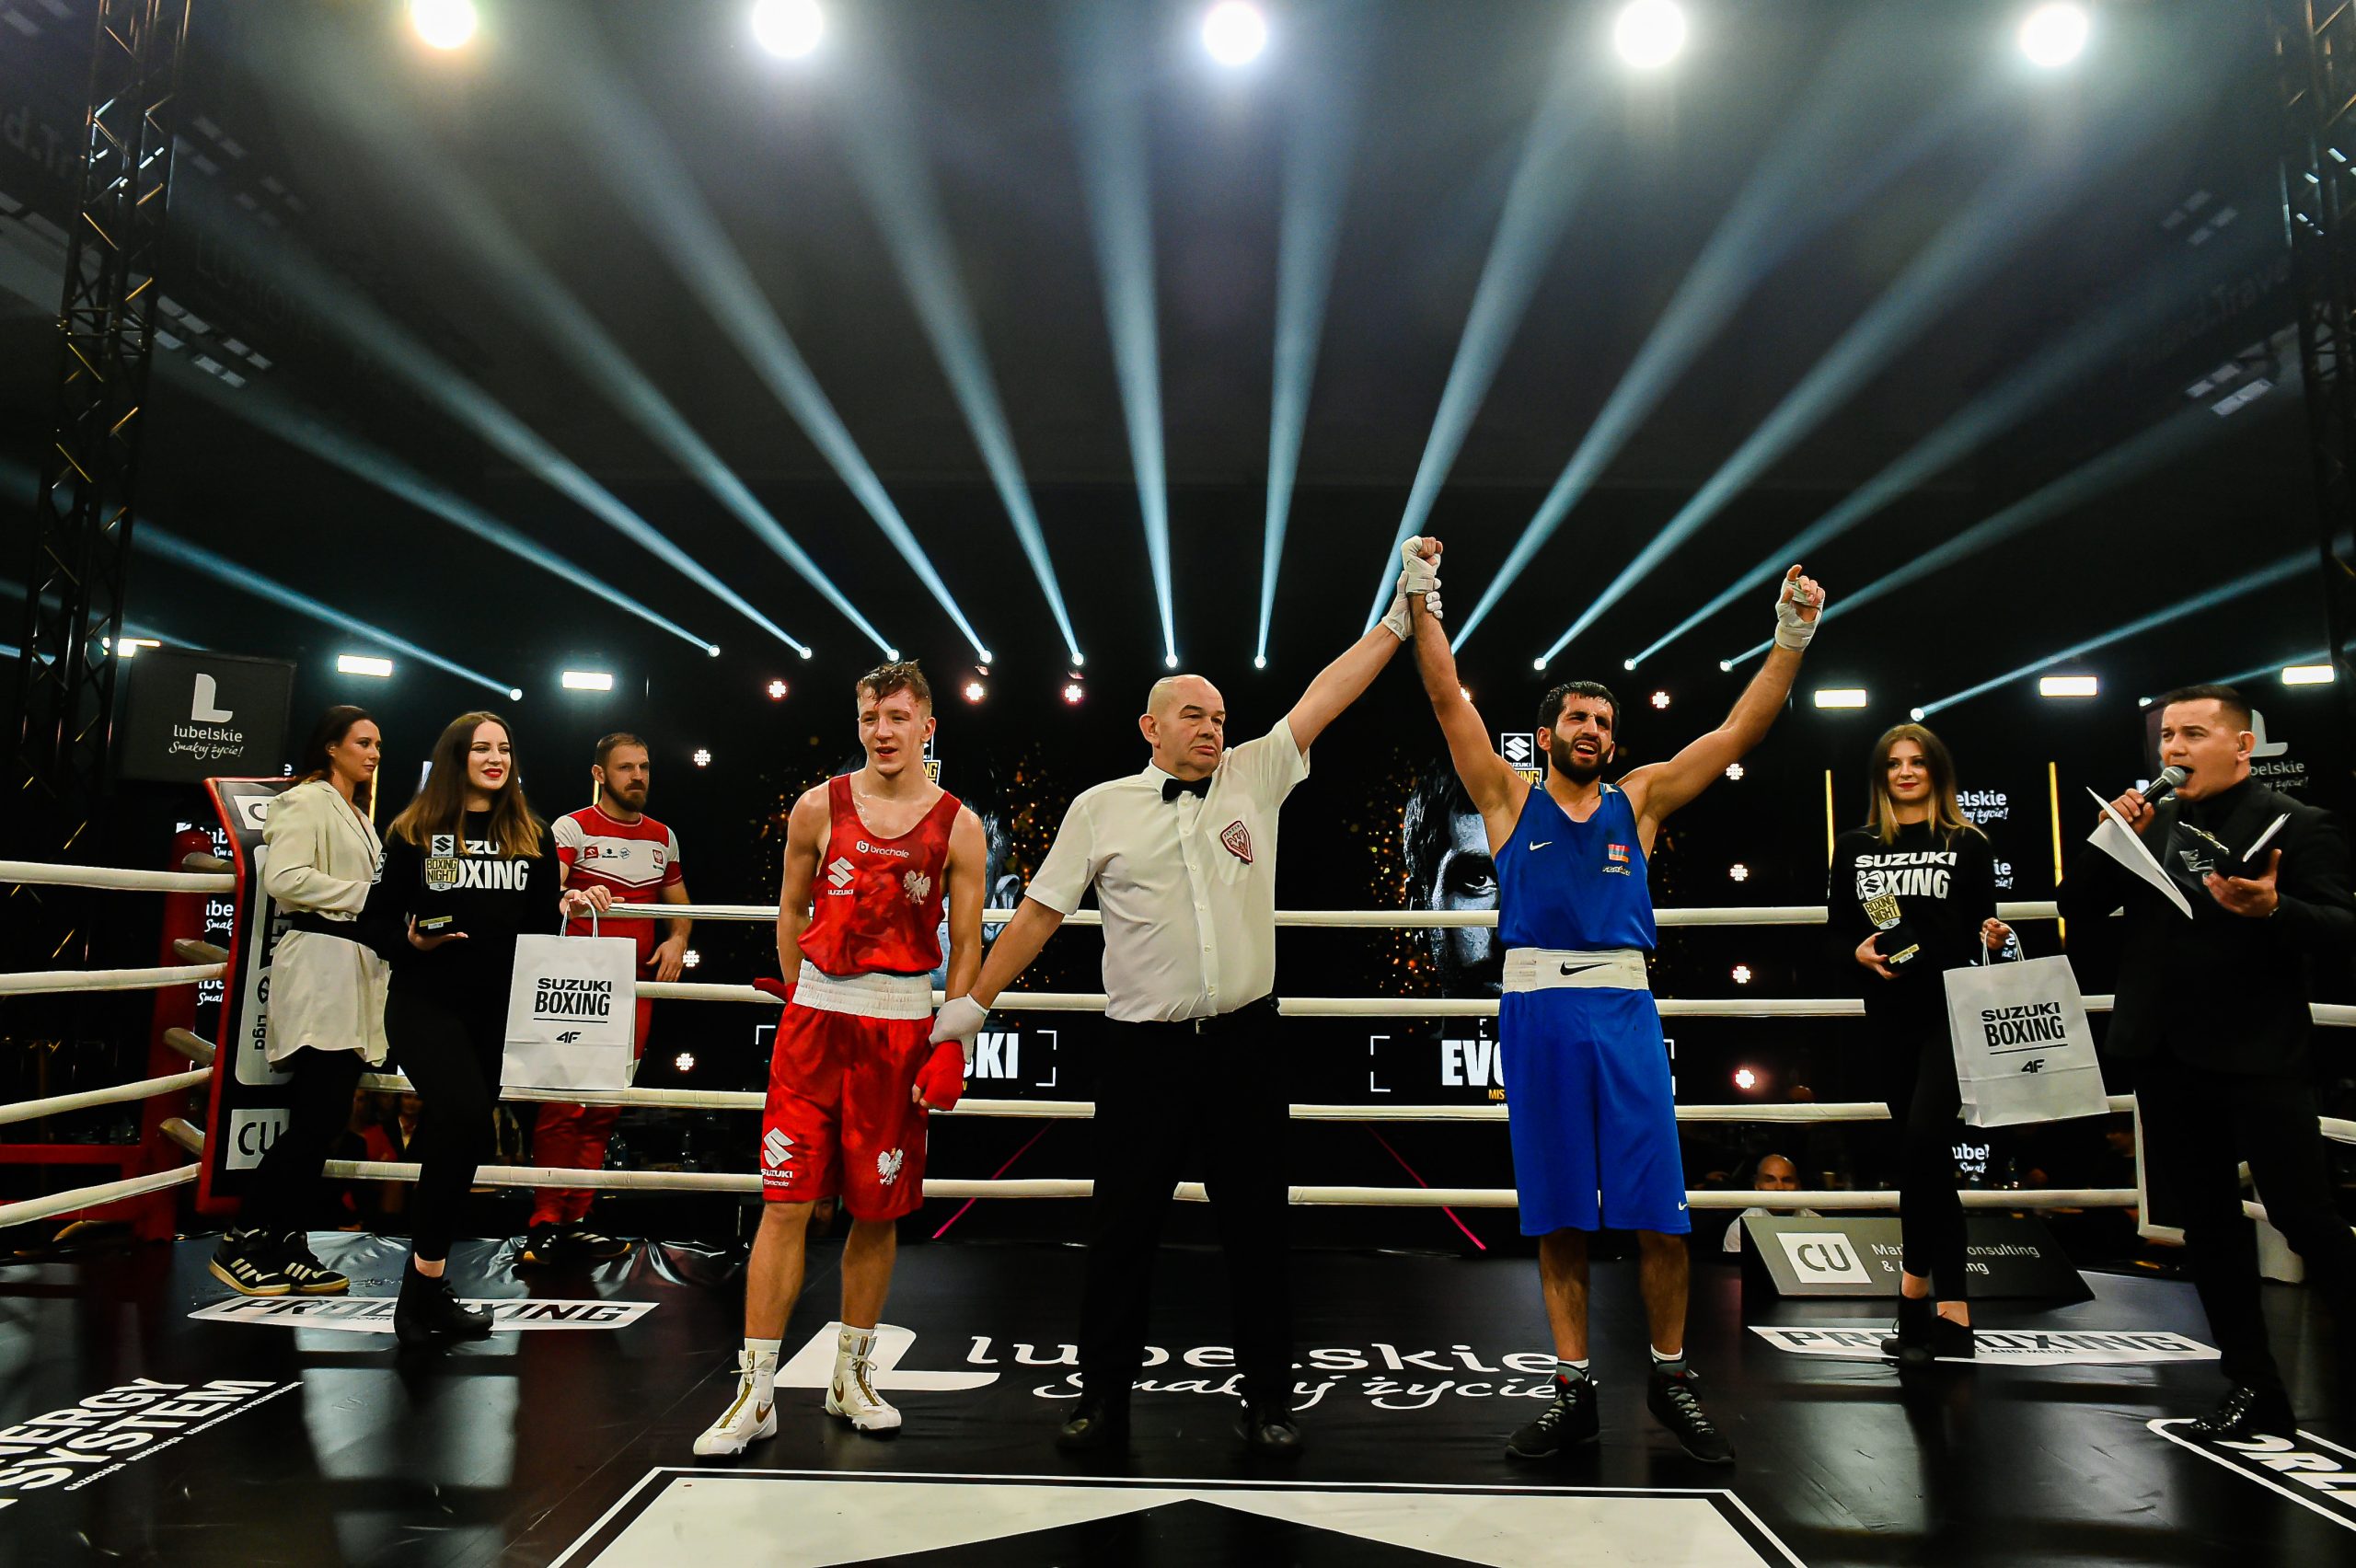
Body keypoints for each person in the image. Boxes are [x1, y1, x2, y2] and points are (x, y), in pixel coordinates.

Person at [1407, 537, 1825, 1466]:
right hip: (1537, 1016)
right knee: (1557, 1213)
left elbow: (1736, 734)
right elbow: (1446, 701)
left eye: (1603, 719)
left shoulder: (1639, 800)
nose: (1591, 729)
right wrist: (1422, 596)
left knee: (1658, 1211)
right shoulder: (1506, 799)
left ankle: (1672, 1380)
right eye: (1576, 717)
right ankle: (1572, 1390)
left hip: (1625, 1015)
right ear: (1547, 731)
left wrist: (1790, 639)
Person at [695, 663, 985, 1453]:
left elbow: (966, 945)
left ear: (927, 725)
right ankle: (755, 1393)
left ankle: (851, 1378)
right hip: (816, 1026)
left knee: (876, 1211)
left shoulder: (959, 824)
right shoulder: (817, 805)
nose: (882, 732)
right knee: (785, 1203)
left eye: (897, 717)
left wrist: (951, 1040)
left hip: (899, 1029)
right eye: (869, 718)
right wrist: (801, 994)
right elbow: (791, 909)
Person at [2058, 683, 2356, 1439]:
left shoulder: (2297, 822)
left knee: (2305, 1217)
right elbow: (2075, 905)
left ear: (2242, 745)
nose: (2174, 749)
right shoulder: (2149, 821)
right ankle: (2253, 1386)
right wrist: (2106, 837)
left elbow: (2341, 927)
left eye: (2192, 734)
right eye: (2166, 737)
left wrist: (2276, 909)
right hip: (2165, 1051)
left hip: (2259, 1053)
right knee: (2209, 1229)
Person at [359, 711, 605, 1347]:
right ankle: (420, 1293)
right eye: (481, 749)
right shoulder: (414, 830)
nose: (496, 758)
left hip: (496, 1013)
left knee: (460, 1139)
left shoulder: (531, 834)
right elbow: (374, 922)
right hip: (424, 1004)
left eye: (504, 748)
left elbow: (539, 929)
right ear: (456, 757)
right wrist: (412, 942)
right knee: (465, 1116)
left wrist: (568, 903)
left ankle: (425, 1287)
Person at [1829, 723, 2011, 1364]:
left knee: (1923, 1144)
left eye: (1917, 762)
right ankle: (1953, 1314)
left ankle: (1912, 1298)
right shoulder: (1857, 846)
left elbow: (1982, 926)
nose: (1905, 772)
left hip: (1951, 1012)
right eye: (1894, 763)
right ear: (1880, 775)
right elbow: (1839, 931)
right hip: (1889, 1013)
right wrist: (1857, 954)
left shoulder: (1968, 842)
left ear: (1936, 771)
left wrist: (1994, 938)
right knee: (1926, 1161)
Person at [210, 706, 391, 1297]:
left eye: (377, 744)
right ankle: (243, 1237)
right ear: (331, 747)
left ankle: (287, 1242)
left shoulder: (357, 814)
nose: (373, 753)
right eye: (362, 742)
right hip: (319, 965)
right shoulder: (305, 801)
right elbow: (285, 878)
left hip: (351, 967)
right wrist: (366, 896)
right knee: (317, 1118)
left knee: (326, 1119)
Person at [521, 732, 694, 1266]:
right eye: (626, 767)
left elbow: (681, 908)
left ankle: (577, 1219)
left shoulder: (663, 836)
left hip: (633, 989)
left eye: (644, 766)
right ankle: (545, 1223)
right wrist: (573, 895)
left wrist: (677, 939)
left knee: (604, 1108)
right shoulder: (571, 827)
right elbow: (546, 893)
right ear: (600, 774)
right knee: (562, 1105)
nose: (638, 776)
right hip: (578, 984)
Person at [1718, 1154, 1819, 1254]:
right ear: (1757, 1185)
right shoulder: (1739, 1230)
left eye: (1787, 1180)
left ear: (1798, 1185)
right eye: (1770, 1180)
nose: (1780, 1187)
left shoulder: (1818, 1224)